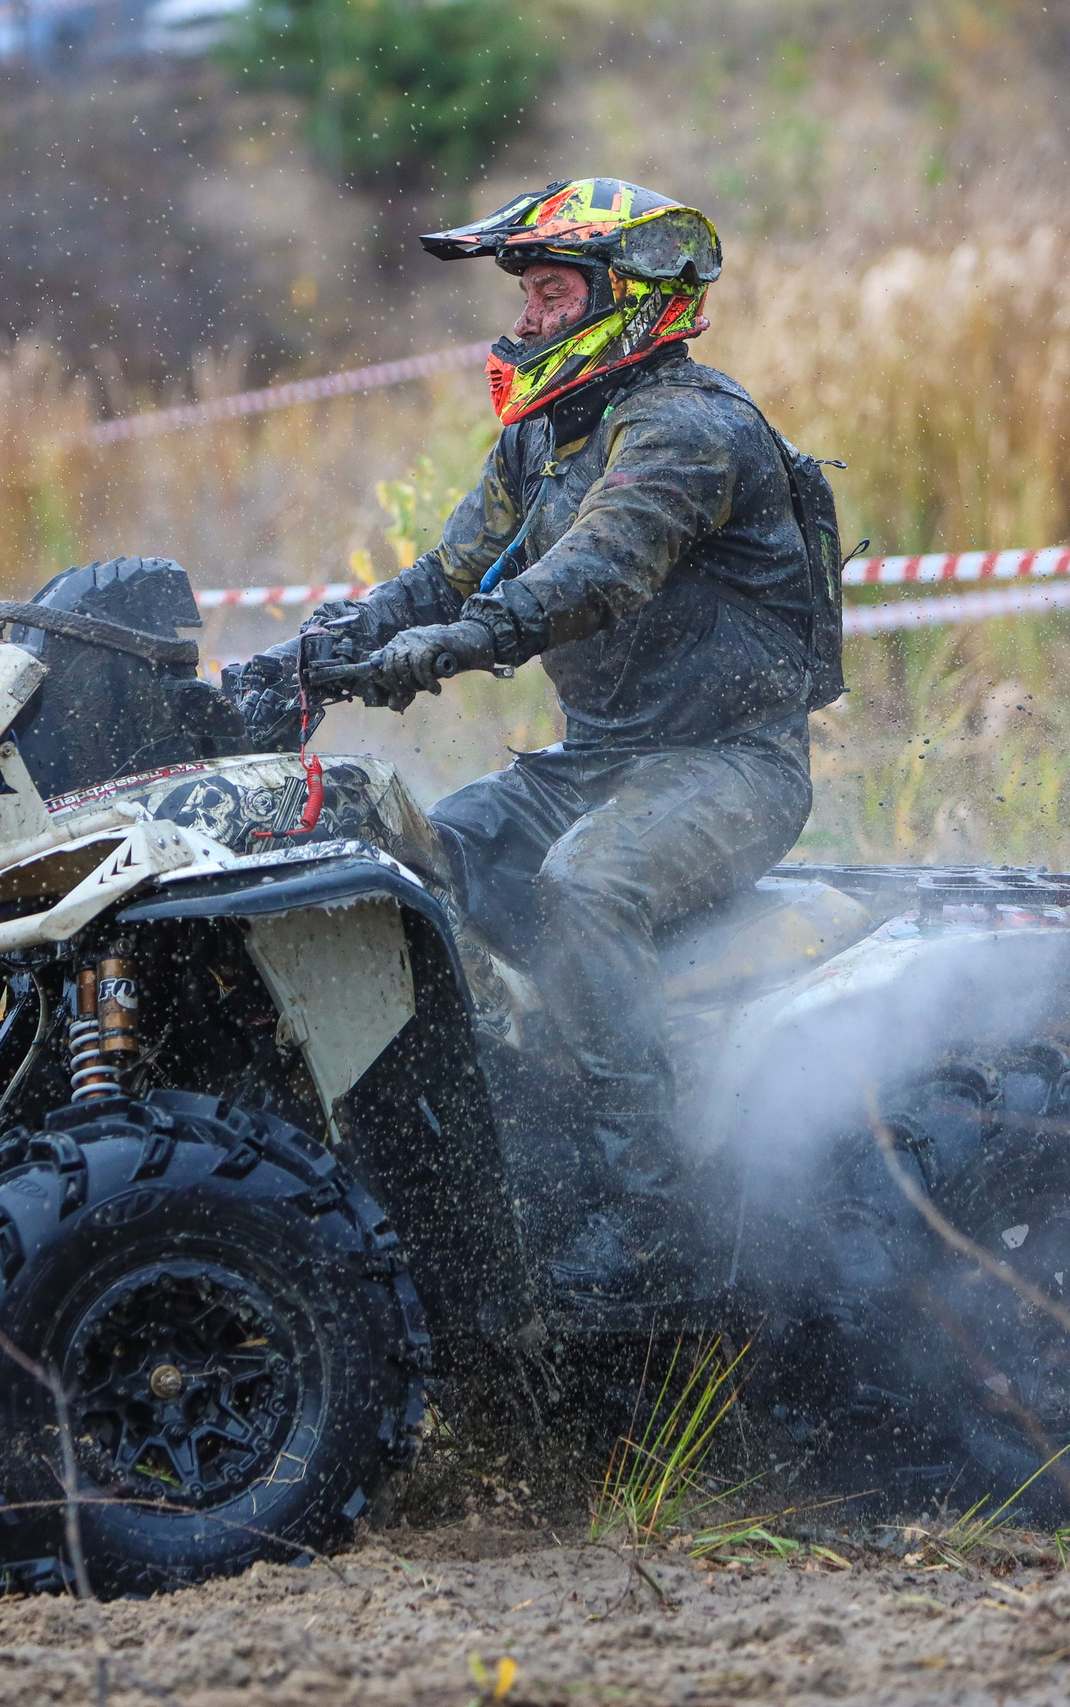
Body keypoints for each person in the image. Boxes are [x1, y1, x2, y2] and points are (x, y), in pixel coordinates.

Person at [233, 179, 838, 1300]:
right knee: (402, 863)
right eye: (527, 296)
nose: (523, 322)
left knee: (586, 888)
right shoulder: (550, 436)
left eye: (550, 296)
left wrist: (448, 650)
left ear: (624, 301)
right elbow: (444, 574)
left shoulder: (689, 429)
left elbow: (595, 575)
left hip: (730, 767)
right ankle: (511, 1139)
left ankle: (651, 1214)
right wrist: (300, 661)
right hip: (596, 760)